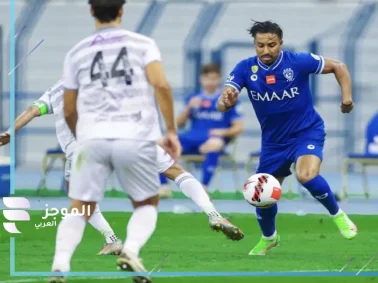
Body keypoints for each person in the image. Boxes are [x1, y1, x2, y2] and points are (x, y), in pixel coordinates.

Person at [0, 82, 243, 256]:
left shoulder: (61, 89)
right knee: (176, 171)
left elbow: (33, 111)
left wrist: (10, 131)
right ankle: (213, 214)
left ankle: (113, 240)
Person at [49, 0, 172, 283]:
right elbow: (161, 85)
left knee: (79, 206)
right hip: (135, 136)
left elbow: (67, 109)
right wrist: (171, 131)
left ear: (92, 11)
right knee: (146, 204)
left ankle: (60, 266)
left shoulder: (75, 53)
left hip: (90, 138)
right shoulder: (143, 44)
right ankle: (130, 249)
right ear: (121, 10)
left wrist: (84, 134)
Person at [218, 20, 358, 256]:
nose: (266, 50)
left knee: (306, 175)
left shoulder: (298, 62)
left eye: (271, 45)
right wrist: (226, 101)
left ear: (280, 43)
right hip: (274, 142)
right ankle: (269, 238)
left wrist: (347, 98)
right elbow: (223, 101)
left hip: (307, 131)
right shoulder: (244, 68)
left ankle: (338, 215)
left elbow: (339, 66)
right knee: (260, 195)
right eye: (260, 45)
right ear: (254, 45)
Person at [159, 63, 244, 196]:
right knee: (161, 143)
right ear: (201, 79)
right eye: (207, 78)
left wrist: (222, 132)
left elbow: (238, 127)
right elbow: (178, 125)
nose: (210, 82)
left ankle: (203, 188)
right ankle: (164, 187)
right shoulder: (193, 99)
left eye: (214, 78)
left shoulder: (227, 100)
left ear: (219, 79)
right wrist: (189, 108)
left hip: (212, 140)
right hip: (191, 139)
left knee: (214, 144)